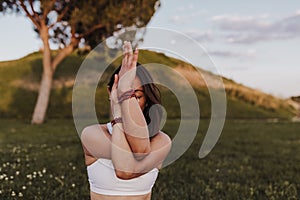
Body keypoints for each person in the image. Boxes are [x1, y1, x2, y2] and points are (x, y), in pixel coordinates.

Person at [80, 41, 172, 200]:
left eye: (136, 96)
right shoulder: (92, 134)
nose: (129, 102)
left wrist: (123, 94)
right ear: (110, 92)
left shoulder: (162, 141)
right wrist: (118, 112)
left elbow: (135, 158)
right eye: (124, 93)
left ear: (147, 100)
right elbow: (125, 169)